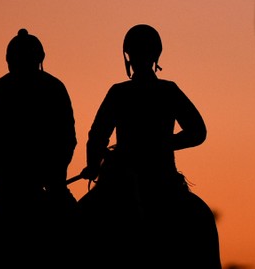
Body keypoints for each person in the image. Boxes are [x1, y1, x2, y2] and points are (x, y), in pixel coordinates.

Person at [77, 23, 221, 268]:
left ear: (128, 56)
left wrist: (94, 164)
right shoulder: (168, 91)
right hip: (162, 179)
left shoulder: (120, 92)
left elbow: (97, 136)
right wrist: (165, 144)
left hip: (140, 178)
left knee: (79, 222)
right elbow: (198, 132)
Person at [0, 29, 77, 269]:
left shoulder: (1, 89)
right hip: (25, 186)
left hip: (31, 185)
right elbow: (68, 139)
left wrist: (54, 179)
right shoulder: (51, 87)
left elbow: (67, 139)